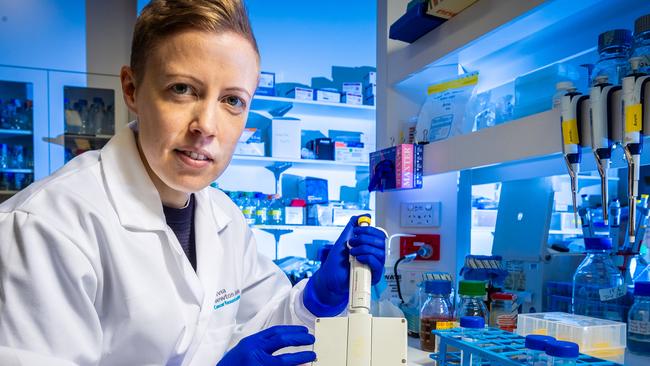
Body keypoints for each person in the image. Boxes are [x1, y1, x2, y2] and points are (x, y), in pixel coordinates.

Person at [0, 1, 386, 365]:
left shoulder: (224, 218)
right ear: (132, 89)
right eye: (182, 89)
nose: (207, 126)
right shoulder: (46, 227)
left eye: (232, 100)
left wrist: (318, 298)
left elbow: (264, 328)